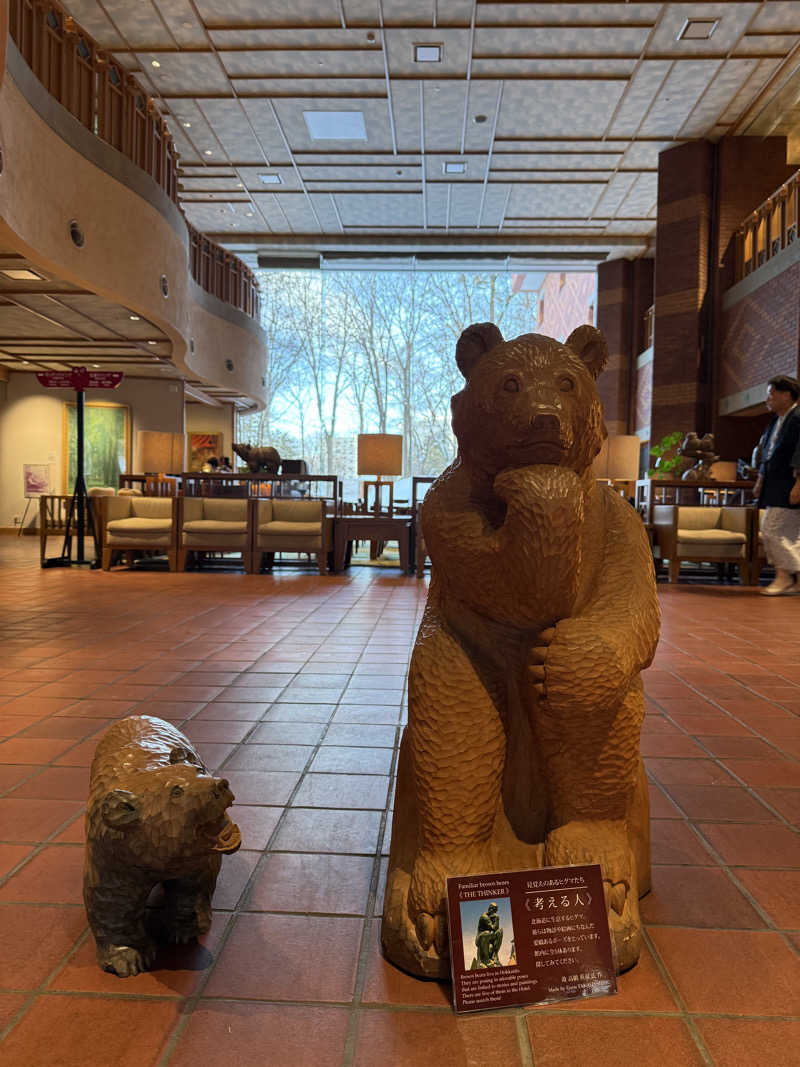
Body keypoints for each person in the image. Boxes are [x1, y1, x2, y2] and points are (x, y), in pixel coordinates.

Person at [753, 375, 800, 595]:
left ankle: (784, 575)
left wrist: (798, 485)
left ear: (786, 395)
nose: (767, 399)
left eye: (771, 394)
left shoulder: (798, 418)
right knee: (791, 533)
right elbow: (768, 454)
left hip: (790, 483)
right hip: (774, 483)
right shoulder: (775, 421)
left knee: (771, 528)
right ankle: (793, 580)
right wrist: (760, 479)